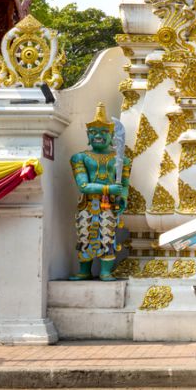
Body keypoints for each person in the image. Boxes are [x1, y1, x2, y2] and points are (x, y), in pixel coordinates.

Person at [69, 103, 131, 281]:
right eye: (93, 132)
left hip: (108, 205)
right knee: (85, 235)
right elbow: (83, 186)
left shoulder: (122, 160)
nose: (98, 135)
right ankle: (84, 270)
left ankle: (105, 271)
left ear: (112, 136)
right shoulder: (79, 158)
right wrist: (108, 188)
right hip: (87, 204)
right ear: (88, 135)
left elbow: (125, 183)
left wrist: (123, 198)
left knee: (107, 236)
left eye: (103, 132)